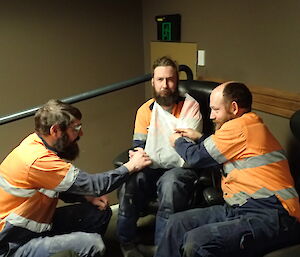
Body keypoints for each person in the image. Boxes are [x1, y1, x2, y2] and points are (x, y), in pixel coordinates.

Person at [154, 81, 300, 257]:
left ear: (234, 107)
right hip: (240, 208)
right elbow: (221, 150)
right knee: (177, 223)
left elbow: (196, 157)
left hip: (275, 214)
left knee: (197, 242)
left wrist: (177, 140)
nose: (211, 116)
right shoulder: (243, 128)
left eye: (216, 110)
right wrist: (199, 137)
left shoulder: (241, 127)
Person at [0, 99, 152, 257]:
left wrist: (86, 196)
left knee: (98, 213)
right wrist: (131, 166)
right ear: (56, 130)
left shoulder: (37, 143)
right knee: (92, 244)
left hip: (36, 226)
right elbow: (95, 185)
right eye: (76, 128)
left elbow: (52, 187)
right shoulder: (37, 160)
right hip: (12, 244)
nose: (81, 133)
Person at [117, 56, 203, 257]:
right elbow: (139, 145)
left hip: (180, 168)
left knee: (170, 185)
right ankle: (127, 244)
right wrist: (136, 154)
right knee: (129, 183)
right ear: (153, 82)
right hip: (151, 166)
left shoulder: (191, 107)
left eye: (170, 79)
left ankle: (161, 249)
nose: (165, 85)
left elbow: (187, 150)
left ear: (177, 81)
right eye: (160, 80)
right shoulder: (145, 111)